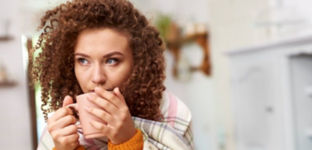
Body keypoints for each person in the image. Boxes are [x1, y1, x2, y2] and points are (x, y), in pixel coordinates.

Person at [32, 0, 193, 149]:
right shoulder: (59, 131)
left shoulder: (173, 113)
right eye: (83, 60)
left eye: (112, 61)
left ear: (137, 64)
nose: (97, 77)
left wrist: (127, 141)